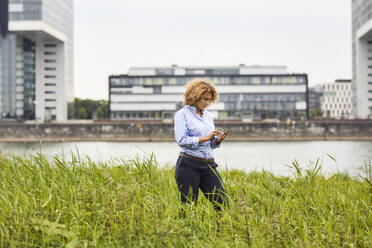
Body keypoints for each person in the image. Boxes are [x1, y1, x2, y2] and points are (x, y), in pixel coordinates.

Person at [174, 78, 228, 211]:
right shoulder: (182, 115)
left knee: (223, 204)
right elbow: (181, 140)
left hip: (209, 165)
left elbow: (211, 144)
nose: (207, 102)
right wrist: (204, 138)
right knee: (189, 208)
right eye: (204, 99)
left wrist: (217, 140)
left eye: (209, 99)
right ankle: (187, 231)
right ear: (195, 96)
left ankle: (219, 231)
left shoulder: (208, 116)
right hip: (188, 165)